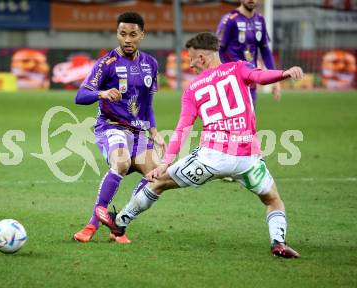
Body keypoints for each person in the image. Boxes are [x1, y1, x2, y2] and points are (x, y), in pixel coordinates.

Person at [96, 32, 302, 258]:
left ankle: (121, 222)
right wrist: (284, 73)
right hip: (247, 159)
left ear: (202, 58)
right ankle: (278, 243)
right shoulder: (239, 68)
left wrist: (165, 163)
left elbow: (183, 129)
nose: (190, 63)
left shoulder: (193, 89)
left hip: (211, 157)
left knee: (158, 183)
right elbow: (260, 77)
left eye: (191, 58)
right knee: (273, 199)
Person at [73, 12, 165, 244]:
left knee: (156, 176)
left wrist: (154, 131)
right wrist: (101, 93)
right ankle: (91, 225)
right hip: (111, 127)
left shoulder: (151, 64)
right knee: (121, 163)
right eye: (122, 34)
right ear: (117, 34)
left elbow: (148, 105)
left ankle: (119, 223)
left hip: (137, 132)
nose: (127, 39)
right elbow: (80, 95)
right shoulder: (106, 63)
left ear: (142, 35)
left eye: (133, 35)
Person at [217, 0, 281, 106]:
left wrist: (275, 79)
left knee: (250, 120)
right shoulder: (230, 19)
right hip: (231, 82)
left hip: (250, 81)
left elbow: (265, 51)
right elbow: (219, 49)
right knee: (233, 121)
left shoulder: (260, 20)